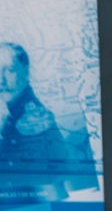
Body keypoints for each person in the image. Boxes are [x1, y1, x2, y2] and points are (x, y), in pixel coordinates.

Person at [0, 44, 74, 173]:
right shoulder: (10, 116)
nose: (1, 80)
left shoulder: (33, 119)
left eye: (10, 70)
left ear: (26, 72)